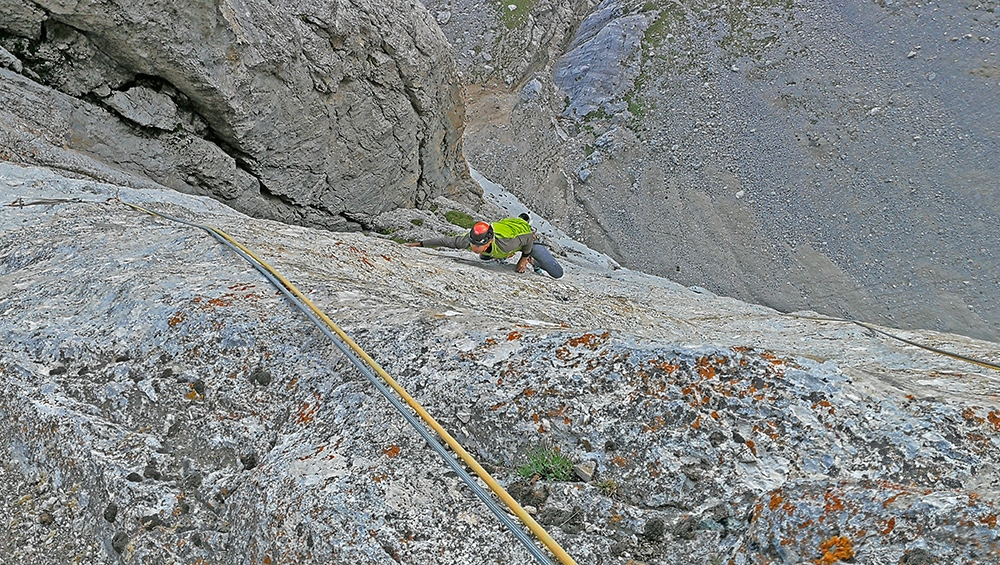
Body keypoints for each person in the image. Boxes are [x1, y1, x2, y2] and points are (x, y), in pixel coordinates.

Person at [406, 214, 564, 278]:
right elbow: (445, 241)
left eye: (478, 245)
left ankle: (533, 260)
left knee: (557, 273)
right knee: (484, 257)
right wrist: (418, 244)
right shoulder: (470, 241)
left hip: (524, 236)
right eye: (473, 244)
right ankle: (500, 256)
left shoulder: (506, 243)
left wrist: (523, 259)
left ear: (488, 241)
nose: (473, 248)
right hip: (507, 229)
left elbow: (528, 238)